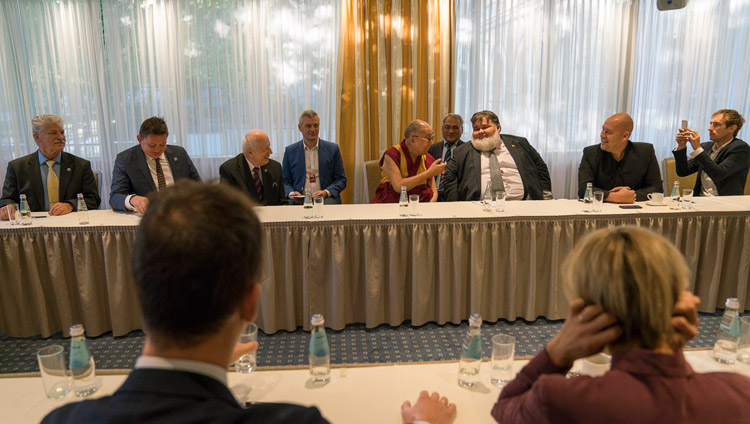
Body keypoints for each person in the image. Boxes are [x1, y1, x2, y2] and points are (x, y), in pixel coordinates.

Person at [42, 181, 456, 424]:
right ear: (251, 301)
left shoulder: (61, 421)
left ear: (139, 290)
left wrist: (206, 362)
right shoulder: (296, 422)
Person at [491, 226, 750, 424]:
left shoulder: (563, 399)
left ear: (588, 310)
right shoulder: (739, 393)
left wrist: (556, 352)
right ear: (679, 298)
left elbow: (505, 407)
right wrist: (668, 345)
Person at [0, 114, 99, 219]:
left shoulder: (81, 165)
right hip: (32, 227)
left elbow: (93, 199)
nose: (61, 137)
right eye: (53, 133)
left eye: (62, 132)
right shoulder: (17, 167)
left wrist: (70, 205)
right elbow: (7, 200)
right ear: (37, 137)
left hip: (70, 224)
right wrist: (7, 207)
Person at [442, 111, 551, 201]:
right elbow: (449, 178)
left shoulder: (520, 143)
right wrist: (454, 205)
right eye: (476, 129)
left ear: (498, 127)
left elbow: (540, 167)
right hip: (479, 207)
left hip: (525, 204)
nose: (480, 132)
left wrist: (545, 195)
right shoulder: (462, 151)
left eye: (485, 127)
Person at [109, 117, 200, 213]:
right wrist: (133, 199)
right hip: (149, 217)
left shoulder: (179, 153)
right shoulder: (126, 159)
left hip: (181, 212)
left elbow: (198, 186)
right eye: (152, 145)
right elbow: (115, 197)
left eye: (162, 144)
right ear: (139, 139)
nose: (158, 150)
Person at [578, 113, 662, 203]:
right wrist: (614, 197)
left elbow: (657, 188)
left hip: (636, 210)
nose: (602, 135)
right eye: (603, 130)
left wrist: (632, 195)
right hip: (601, 210)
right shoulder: (590, 153)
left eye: (608, 132)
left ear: (625, 136)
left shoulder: (645, 152)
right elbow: (584, 190)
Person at [673, 109, 749, 196]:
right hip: (701, 200)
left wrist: (697, 149)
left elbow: (718, 175)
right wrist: (681, 147)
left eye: (716, 124)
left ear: (732, 128)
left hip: (725, 203)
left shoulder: (741, 148)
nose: (710, 128)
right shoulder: (706, 147)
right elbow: (683, 171)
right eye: (711, 124)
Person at [371, 119, 446, 203]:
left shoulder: (427, 158)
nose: (431, 143)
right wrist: (429, 173)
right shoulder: (392, 154)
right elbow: (399, 186)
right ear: (412, 140)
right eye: (428, 139)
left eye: (432, 138)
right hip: (393, 204)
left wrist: (428, 208)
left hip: (422, 206)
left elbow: (434, 192)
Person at [282, 110, 347, 204]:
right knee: (288, 209)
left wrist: (326, 192)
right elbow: (285, 181)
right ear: (300, 127)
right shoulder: (290, 151)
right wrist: (292, 193)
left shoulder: (333, 149)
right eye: (308, 126)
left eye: (316, 125)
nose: (313, 129)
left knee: (330, 206)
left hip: (326, 198)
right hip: (299, 198)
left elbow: (341, 179)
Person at [220, 130, 285, 206]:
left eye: (269, 147)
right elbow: (227, 205)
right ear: (250, 152)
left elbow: (281, 201)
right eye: (266, 148)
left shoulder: (275, 167)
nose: (270, 152)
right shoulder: (229, 170)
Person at [428, 113, 466, 200]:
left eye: (455, 128)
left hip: (457, 196)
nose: (451, 131)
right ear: (442, 129)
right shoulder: (432, 148)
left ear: (462, 130)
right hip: (434, 194)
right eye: (447, 127)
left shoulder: (467, 150)